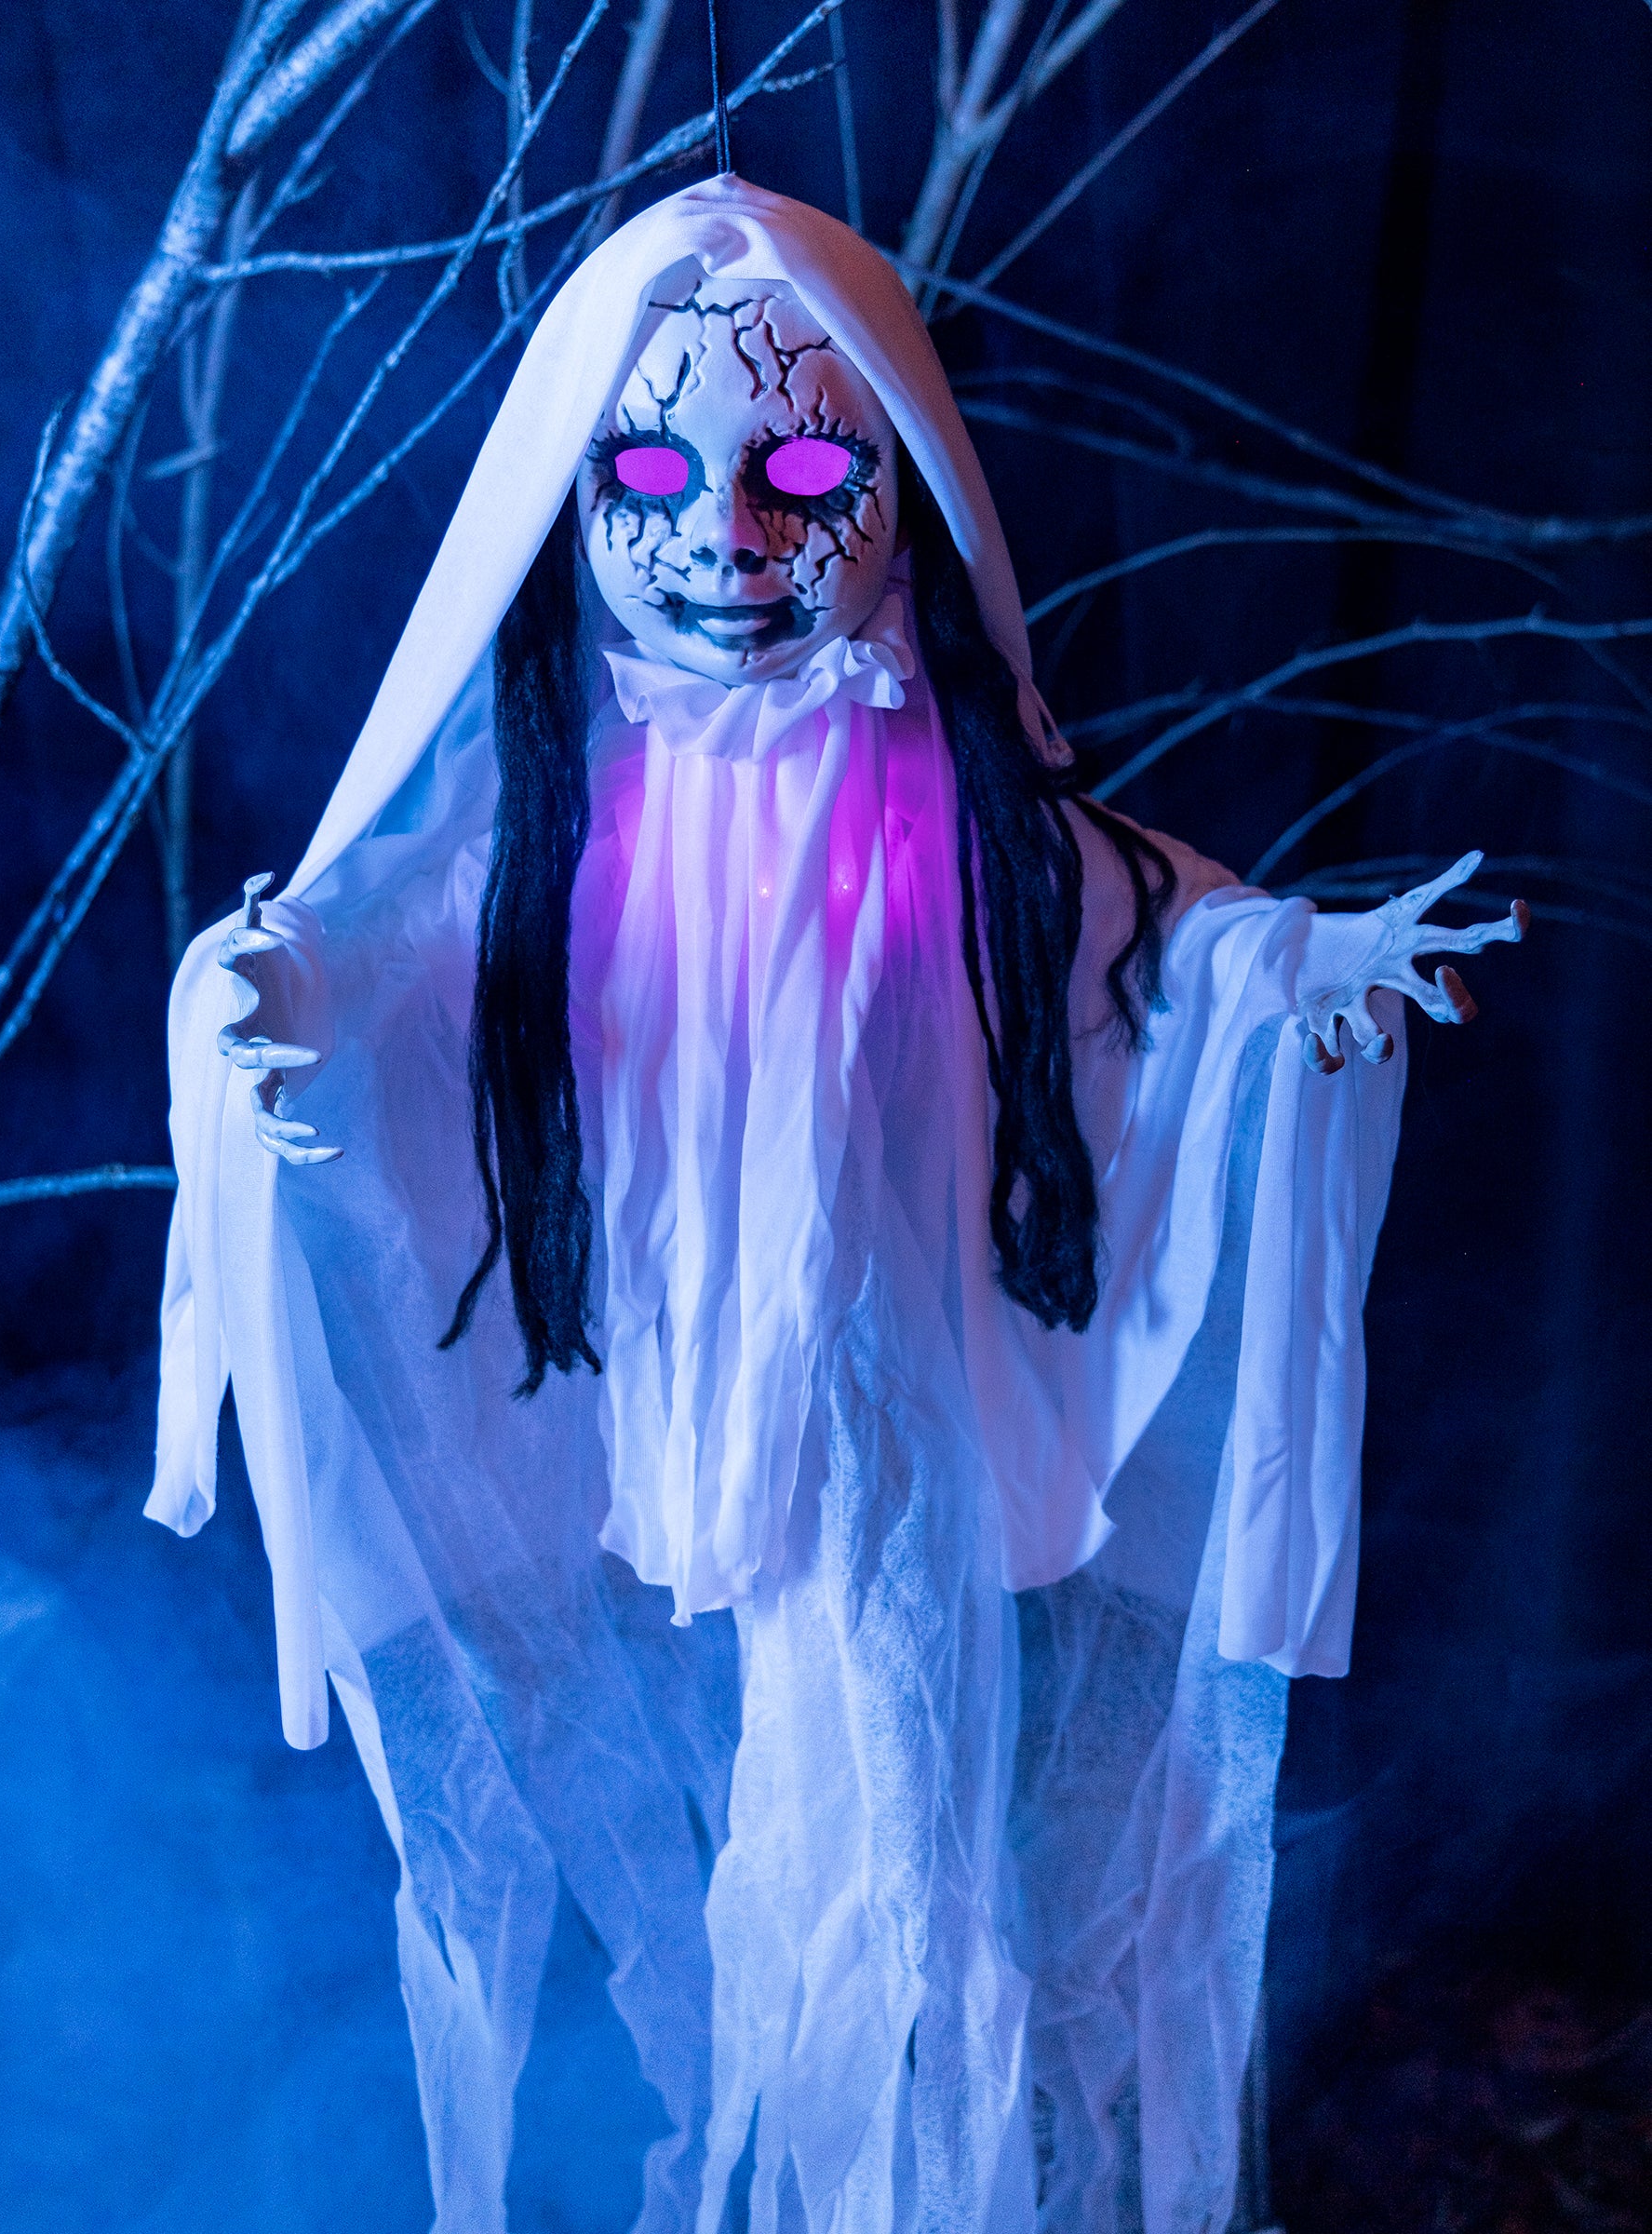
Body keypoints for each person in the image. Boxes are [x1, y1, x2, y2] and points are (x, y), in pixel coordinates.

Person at [149, 177, 1524, 2234]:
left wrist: (1291, 974)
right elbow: (396, 937)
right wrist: (262, 998)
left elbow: (1137, 929)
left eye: (803, 471)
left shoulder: (951, 808)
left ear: (905, 493)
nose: (728, 536)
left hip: (883, 1409)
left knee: (908, 1856)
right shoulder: (567, 814)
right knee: (729, 1855)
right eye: (649, 475)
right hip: (656, 1401)